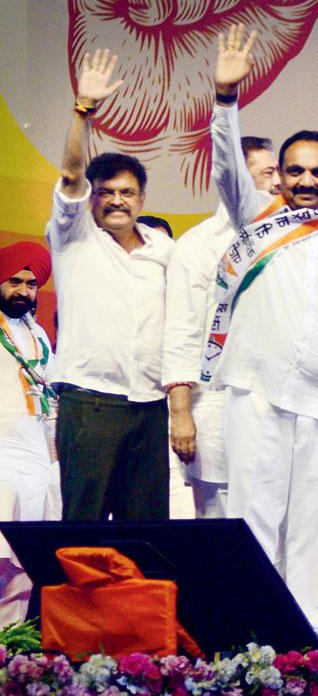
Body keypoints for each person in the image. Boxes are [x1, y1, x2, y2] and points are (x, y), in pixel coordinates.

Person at [209, 26, 318, 640]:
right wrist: (226, 99)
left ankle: (303, 650)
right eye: (294, 172)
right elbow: (228, 166)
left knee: (313, 534)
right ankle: (247, 647)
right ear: (278, 177)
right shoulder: (256, 223)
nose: (306, 181)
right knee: (252, 524)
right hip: (255, 395)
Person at [48, 49, 173, 522]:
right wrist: (83, 112)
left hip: (149, 406)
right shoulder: (74, 237)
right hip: (90, 402)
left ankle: (141, 602)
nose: (117, 201)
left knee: (147, 533)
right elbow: (71, 173)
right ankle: (73, 601)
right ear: (91, 199)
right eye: (106, 192)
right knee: (82, 529)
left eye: (128, 192)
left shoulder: (163, 248)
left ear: (142, 198)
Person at [163, 136, 280, 519]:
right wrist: (181, 414)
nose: (279, 181)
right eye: (269, 172)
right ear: (237, 179)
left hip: (276, 401)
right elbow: (181, 332)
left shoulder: (292, 238)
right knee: (219, 523)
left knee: (275, 521)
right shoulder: (197, 245)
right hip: (214, 402)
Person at [0, 242, 57, 624]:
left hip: (36, 453)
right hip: (2, 450)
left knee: (24, 555)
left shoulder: (40, 336)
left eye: (31, 284)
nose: (23, 291)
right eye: (14, 281)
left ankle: (11, 646)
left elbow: (53, 398)